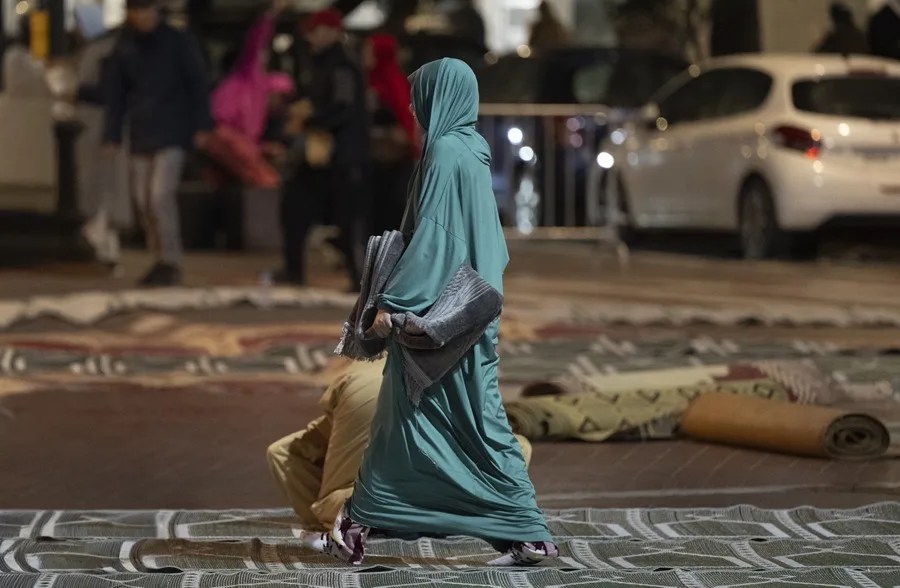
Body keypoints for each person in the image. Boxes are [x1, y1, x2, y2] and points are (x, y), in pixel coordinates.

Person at [305, 58, 558, 567]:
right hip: (472, 312)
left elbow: (438, 241)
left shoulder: (444, 152)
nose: (415, 109)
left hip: (438, 320)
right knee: (470, 424)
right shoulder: (471, 148)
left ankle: (360, 526)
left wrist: (394, 307)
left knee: (420, 424)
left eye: (420, 97)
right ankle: (520, 534)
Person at [267, 358, 535, 531]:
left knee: (286, 452)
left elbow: (287, 451)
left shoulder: (356, 374)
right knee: (517, 447)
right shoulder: (456, 370)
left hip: (361, 500)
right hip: (444, 500)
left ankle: (341, 520)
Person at [104, 0, 213, 286]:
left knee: (159, 196)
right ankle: (159, 257)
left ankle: (170, 260)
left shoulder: (177, 41)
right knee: (142, 201)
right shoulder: (125, 44)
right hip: (141, 131)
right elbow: (116, 92)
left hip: (172, 130)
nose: (141, 17)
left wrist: (202, 125)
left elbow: (197, 83)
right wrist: (112, 134)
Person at [273, 8, 370, 289]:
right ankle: (294, 271)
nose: (311, 37)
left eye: (316, 31)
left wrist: (310, 119)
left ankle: (359, 280)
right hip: (321, 156)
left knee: (348, 221)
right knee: (295, 210)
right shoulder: (320, 63)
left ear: (332, 32)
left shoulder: (340, 65)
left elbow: (343, 107)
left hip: (342, 155)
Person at [73, 5, 130, 270]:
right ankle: (108, 252)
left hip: (101, 127)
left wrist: (78, 92)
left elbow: (108, 93)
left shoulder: (105, 51)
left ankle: (105, 247)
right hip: (99, 127)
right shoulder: (101, 48)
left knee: (101, 186)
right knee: (102, 187)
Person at [363, 34, 419, 234]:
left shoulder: (392, 81)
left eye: (369, 50)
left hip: (393, 160)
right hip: (377, 160)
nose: (364, 55)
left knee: (390, 212)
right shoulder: (370, 80)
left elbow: (404, 119)